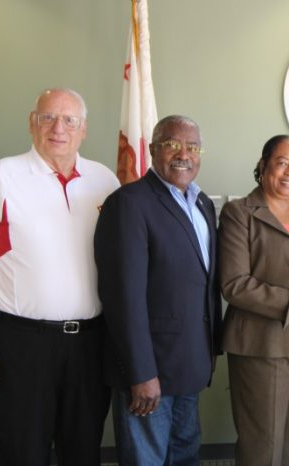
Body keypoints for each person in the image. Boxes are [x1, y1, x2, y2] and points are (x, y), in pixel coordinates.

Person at [0, 88, 119, 465]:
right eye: (47, 117)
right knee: (22, 454)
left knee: (82, 453)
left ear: (84, 130)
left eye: (69, 120)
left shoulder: (105, 181)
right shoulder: (2, 176)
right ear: (32, 124)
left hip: (89, 346)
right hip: (20, 345)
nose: (58, 128)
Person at [94, 115, 222, 465]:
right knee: (146, 460)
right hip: (149, 372)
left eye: (193, 146)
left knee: (185, 456)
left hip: (190, 364)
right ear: (152, 149)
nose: (184, 154)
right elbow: (124, 297)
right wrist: (141, 373)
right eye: (172, 144)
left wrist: (209, 349)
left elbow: (203, 285)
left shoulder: (202, 204)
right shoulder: (129, 203)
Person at [218, 135, 289, 466]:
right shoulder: (239, 213)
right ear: (264, 165)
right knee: (263, 446)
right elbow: (234, 284)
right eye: (282, 162)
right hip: (263, 343)